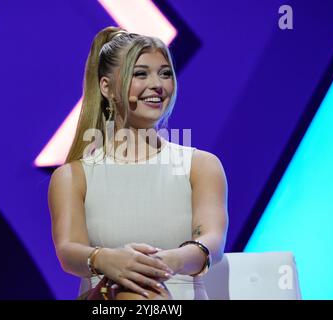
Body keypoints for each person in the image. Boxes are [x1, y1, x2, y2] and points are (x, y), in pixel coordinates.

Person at [48, 26, 228, 300]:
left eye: (165, 73)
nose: (158, 84)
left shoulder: (200, 166)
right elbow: (68, 250)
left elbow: (211, 241)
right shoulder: (73, 176)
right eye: (141, 73)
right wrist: (106, 260)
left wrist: (165, 263)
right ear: (106, 87)